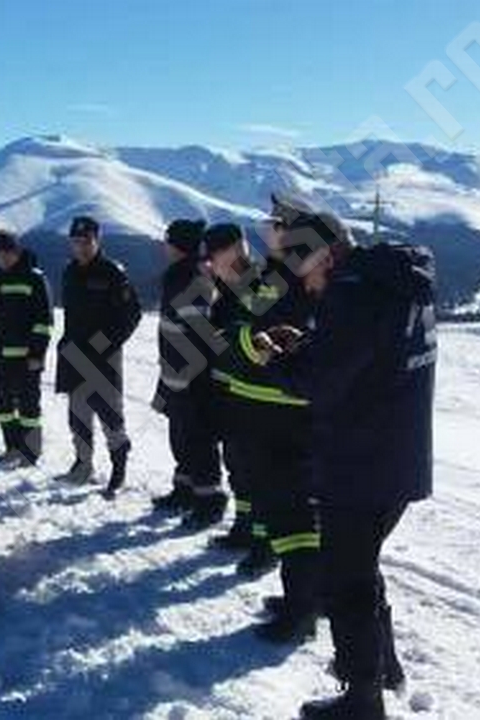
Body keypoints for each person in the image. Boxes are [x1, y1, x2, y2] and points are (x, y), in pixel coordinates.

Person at [278, 212, 436, 719]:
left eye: (303, 268)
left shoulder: (353, 294)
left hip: (358, 460)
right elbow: (366, 359)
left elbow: (323, 384)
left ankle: (361, 697)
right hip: (399, 454)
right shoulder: (397, 282)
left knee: (344, 578)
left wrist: (282, 359)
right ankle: (384, 667)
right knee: (361, 564)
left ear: (326, 256)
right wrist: (316, 346)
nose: (304, 284)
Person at [204, 221, 319, 643]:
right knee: (267, 496)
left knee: (292, 515)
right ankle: (299, 597)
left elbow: (255, 340)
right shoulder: (255, 284)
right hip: (252, 409)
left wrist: (245, 343)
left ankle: (302, 607)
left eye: (278, 225)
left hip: (280, 413)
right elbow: (227, 343)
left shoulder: (277, 281)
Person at [150, 219, 229, 530]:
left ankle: (210, 500)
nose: (164, 246)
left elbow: (199, 332)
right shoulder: (182, 274)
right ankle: (184, 490)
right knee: (181, 436)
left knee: (197, 437)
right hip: (177, 372)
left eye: (168, 240)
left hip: (192, 376)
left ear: (178, 245)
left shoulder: (190, 277)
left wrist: (188, 374)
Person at [55, 216, 142, 493]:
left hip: (103, 356)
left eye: (87, 241)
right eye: (76, 241)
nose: (81, 247)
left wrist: (103, 343)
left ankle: (119, 466)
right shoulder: (70, 272)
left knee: (109, 413)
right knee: (78, 413)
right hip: (74, 353)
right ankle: (83, 465)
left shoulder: (112, 272)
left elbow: (131, 314)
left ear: (97, 241)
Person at [0, 230, 53, 465]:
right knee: (1, 403)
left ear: (17, 253)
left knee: (28, 406)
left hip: (25, 358)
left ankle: (31, 452)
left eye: (8, 252)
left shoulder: (34, 279)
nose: (4, 257)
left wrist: (37, 353)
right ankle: (12, 447)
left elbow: (43, 322)